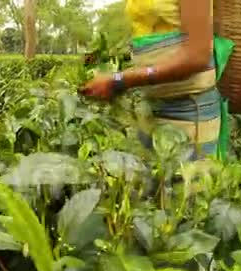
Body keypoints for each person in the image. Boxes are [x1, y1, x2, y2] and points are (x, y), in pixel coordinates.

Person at [80, 0, 233, 161]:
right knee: (154, 179)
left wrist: (119, 80)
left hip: (188, 111)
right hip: (151, 108)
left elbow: (196, 57)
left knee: (188, 181)